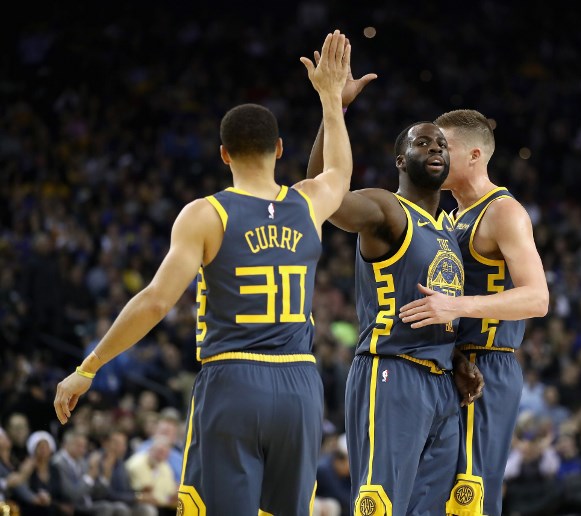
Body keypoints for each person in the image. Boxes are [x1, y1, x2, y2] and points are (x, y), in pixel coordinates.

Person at [54, 29, 354, 515]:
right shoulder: (309, 203)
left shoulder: (205, 214)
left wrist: (88, 367)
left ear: (223, 153)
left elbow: (154, 301)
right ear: (279, 149)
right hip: (300, 385)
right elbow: (339, 172)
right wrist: (331, 98)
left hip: (232, 380)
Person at [305, 68, 482, 513]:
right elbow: (323, 195)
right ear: (401, 160)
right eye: (422, 142)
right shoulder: (387, 208)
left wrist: (457, 357)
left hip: (441, 385)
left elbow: (434, 308)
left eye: (441, 143)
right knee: (381, 505)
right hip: (392, 375)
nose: (435, 147)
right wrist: (335, 107)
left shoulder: (446, 232)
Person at [397, 108, 549, 515]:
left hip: (490, 366)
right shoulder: (448, 217)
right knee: (429, 495)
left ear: (475, 155)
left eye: (446, 147)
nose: (437, 156)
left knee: (470, 498)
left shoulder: (504, 212)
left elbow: (537, 298)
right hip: (451, 363)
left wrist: (456, 305)